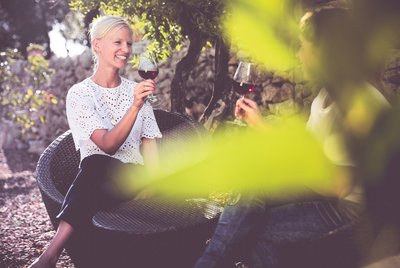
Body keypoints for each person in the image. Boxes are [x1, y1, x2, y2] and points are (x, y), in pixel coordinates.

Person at [194, 7, 389, 268]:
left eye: (302, 45)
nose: (298, 54)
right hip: (326, 197)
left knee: (258, 229)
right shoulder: (326, 97)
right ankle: (213, 258)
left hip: (351, 214)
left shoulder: (359, 102)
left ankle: (214, 257)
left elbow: (336, 186)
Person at [29, 15, 162, 268]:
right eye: (118, 42)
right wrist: (135, 106)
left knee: (94, 167)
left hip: (132, 180)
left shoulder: (137, 92)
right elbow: (107, 144)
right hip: (97, 180)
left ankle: (50, 256)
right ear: (97, 45)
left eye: (129, 44)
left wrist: (152, 187)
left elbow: (150, 146)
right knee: (96, 164)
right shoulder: (80, 94)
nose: (126, 50)